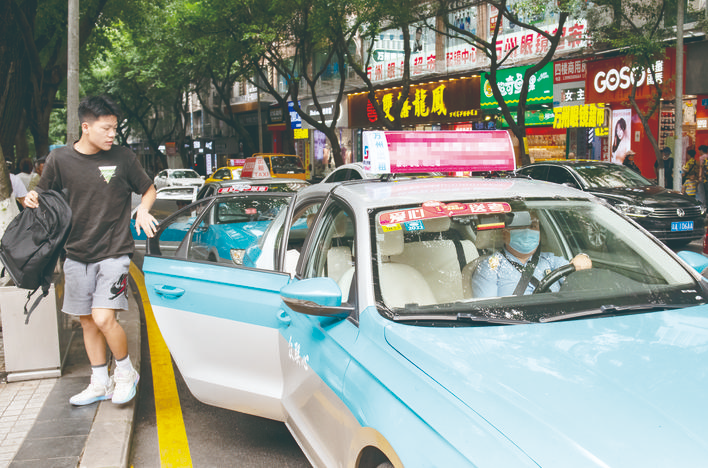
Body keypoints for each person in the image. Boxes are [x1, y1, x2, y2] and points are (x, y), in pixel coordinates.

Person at [24, 95, 158, 406]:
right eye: (107, 128)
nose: (112, 134)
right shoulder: (59, 161)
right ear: (86, 127)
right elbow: (43, 193)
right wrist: (32, 197)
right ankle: (100, 381)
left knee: (103, 317)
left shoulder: (123, 158)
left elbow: (147, 189)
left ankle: (125, 373)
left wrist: (144, 209)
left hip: (114, 252)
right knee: (86, 320)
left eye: (115, 128)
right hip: (75, 254)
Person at [470, 211, 592, 298]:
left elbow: (578, 271)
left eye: (533, 226)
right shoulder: (490, 267)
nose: (527, 231)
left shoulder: (550, 260)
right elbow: (488, 312)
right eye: (520, 226)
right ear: (504, 234)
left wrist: (583, 257)